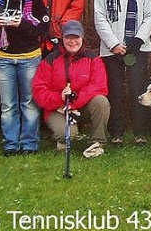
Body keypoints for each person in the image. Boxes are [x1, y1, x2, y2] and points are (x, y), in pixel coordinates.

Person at [93, 0, 151, 145]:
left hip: (138, 48)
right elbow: (100, 18)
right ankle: (117, 132)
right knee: (115, 90)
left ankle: (140, 131)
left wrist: (137, 40)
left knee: (138, 88)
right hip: (111, 50)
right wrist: (114, 44)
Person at [0, 0, 49, 156]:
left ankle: (29, 143)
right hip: (4, 56)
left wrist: (21, 24)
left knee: (29, 102)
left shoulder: (36, 1)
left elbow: (43, 29)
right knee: (8, 104)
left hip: (29, 56)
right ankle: (11, 143)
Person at [32, 20, 109, 157]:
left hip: (81, 105)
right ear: (62, 39)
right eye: (68, 38)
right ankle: (61, 138)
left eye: (76, 37)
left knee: (101, 102)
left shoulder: (93, 58)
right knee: (67, 134)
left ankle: (97, 143)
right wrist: (59, 99)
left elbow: (99, 86)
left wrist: (74, 101)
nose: (72, 41)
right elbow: (39, 90)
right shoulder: (50, 60)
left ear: (82, 38)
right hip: (57, 109)